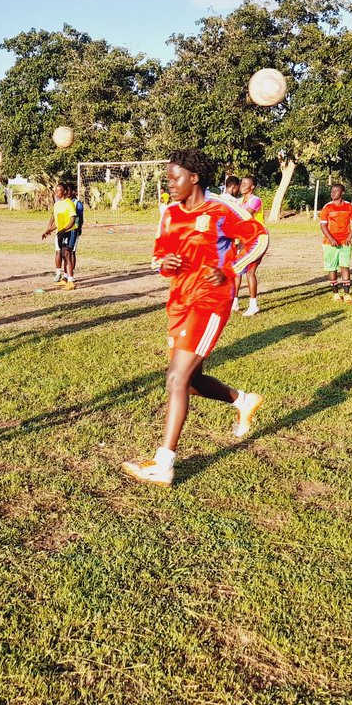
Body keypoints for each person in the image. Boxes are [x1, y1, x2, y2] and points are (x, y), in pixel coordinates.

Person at [120, 149, 268, 487]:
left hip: (210, 302)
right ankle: (244, 400)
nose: (169, 184)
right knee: (191, 382)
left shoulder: (221, 209)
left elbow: (259, 238)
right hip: (179, 301)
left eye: (175, 178)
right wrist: (164, 263)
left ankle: (163, 464)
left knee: (175, 379)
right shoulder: (169, 213)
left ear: (195, 178)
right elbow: (158, 255)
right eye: (168, 178)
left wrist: (230, 270)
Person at [319, 182, 352, 302]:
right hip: (329, 243)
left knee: (345, 266)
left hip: (345, 242)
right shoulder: (327, 207)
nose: (333, 193)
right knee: (332, 267)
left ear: (342, 193)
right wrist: (331, 239)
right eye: (332, 191)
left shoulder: (348, 206)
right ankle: (336, 293)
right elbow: (323, 226)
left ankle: (347, 294)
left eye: (335, 191)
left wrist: (350, 235)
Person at [233, 175, 266, 315]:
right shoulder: (239, 200)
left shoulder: (256, 200)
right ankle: (234, 302)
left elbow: (244, 216)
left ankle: (253, 305)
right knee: (236, 270)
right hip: (242, 240)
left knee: (250, 271)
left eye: (246, 184)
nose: (242, 186)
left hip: (257, 239)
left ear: (252, 187)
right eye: (242, 183)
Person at [40, 183, 77, 290]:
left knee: (67, 254)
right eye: (55, 191)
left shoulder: (69, 203)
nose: (56, 193)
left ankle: (71, 281)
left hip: (69, 231)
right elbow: (57, 222)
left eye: (59, 190)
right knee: (62, 255)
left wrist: (64, 230)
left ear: (64, 192)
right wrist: (47, 231)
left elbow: (72, 220)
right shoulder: (57, 205)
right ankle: (65, 279)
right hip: (60, 233)